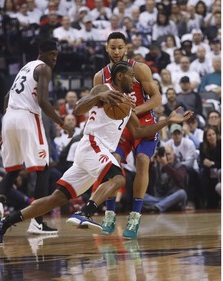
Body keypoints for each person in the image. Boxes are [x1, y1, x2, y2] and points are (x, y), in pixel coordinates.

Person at [0, 61, 194, 244]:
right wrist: (98, 96)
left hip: (94, 154)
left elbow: (139, 131)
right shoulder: (103, 88)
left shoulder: (126, 104)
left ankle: (5, 223)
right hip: (92, 145)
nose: (135, 80)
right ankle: (85, 213)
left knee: (56, 198)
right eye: (132, 76)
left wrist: (167, 121)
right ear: (120, 76)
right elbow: (79, 108)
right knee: (118, 179)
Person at [0, 39, 75, 235]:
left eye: (56, 55)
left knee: (13, 169)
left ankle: (0, 204)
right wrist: (62, 123)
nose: (54, 58)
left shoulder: (25, 68)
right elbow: (43, 102)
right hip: (27, 117)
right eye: (51, 54)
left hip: (9, 117)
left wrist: (7, 127)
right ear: (41, 53)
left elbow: (5, 98)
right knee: (43, 168)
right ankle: (37, 221)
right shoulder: (44, 69)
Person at [92, 32, 164, 239]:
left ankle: (135, 216)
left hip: (143, 122)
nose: (116, 52)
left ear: (126, 48)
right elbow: (97, 105)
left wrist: (133, 110)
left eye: (120, 47)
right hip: (118, 126)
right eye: (112, 47)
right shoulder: (100, 76)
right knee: (111, 163)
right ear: (106, 48)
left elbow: (157, 98)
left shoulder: (139, 68)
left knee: (142, 160)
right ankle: (110, 213)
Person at [143, 145, 188, 212]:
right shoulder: (156, 166)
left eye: (168, 154)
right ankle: (163, 206)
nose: (166, 157)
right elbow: (145, 178)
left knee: (182, 193)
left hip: (174, 197)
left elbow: (179, 179)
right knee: (141, 196)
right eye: (163, 155)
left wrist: (165, 165)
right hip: (159, 198)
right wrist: (150, 162)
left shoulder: (180, 166)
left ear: (174, 154)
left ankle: (157, 206)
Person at [199, 126, 221, 208]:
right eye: (209, 135)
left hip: (219, 169)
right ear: (206, 138)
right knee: (203, 172)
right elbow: (201, 162)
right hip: (208, 171)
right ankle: (207, 201)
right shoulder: (202, 146)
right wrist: (205, 163)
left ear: (216, 135)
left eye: (213, 134)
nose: (212, 137)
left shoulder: (221, 144)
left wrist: (213, 163)